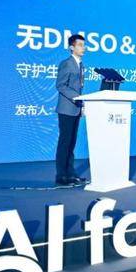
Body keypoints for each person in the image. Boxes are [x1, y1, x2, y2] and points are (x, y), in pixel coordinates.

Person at [55, 34, 88, 187]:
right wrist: (76, 97)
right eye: (80, 45)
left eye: (84, 45)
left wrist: (81, 104)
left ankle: (71, 174)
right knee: (65, 143)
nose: (83, 48)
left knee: (71, 143)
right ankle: (61, 176)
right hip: (66, 109)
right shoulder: (66, 64)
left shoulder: (81, 65)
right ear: (71, 47)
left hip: (75, 109)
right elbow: (60, 85)